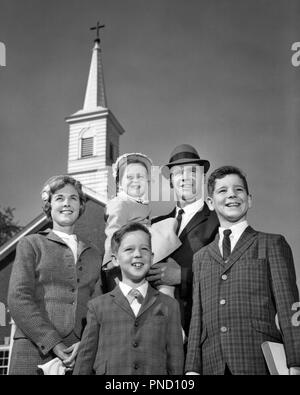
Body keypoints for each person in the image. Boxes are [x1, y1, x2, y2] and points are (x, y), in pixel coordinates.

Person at [185, 166, 300, 375]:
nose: (231, 195)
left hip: (258, 362)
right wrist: (192, 369)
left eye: (238, 190)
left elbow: (290, 307)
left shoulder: (271, 244)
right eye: (222, 191)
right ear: (210, 202)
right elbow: (197, 319)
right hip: (213, 365)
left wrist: (296, 363)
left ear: (249, 199)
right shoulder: (200, 258)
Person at [8, 175, 103, 375]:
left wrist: (86, 343)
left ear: (81, 206)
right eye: (59, 198)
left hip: (76, 355)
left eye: (73, 198)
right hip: (32, 350)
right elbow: (18, 299)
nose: (67, 203)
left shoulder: (94, 254)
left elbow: (97, 308)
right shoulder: (31, 244)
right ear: (49, 206)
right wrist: (53, 342)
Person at [73, 222, 184, 375]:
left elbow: (176, 363)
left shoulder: (169, 305)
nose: (137, 254)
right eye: (129, 249)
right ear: (115, 259)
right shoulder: (97, 307)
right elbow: (84, 362)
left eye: (144, 249)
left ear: (152, 258)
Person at [148, 144, 219, 337]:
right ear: (171, 181)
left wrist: (182, 276)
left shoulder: (219, 221)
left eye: (192, 171)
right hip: (155, 332)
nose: (185, 177)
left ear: (202, 178)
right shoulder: (154, 224)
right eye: (178, 172)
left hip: (202, 329)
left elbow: (228, 274)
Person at [102, 152, 181, 298]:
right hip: (127, 256)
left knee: (165, 287)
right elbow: (113, 231)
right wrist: (111, 260)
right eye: (129, 177)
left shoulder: (141, 204)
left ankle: (166, 301)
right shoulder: (119, 203)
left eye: (141, 177)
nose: (135, 181)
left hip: (142, 252)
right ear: (119, 183)